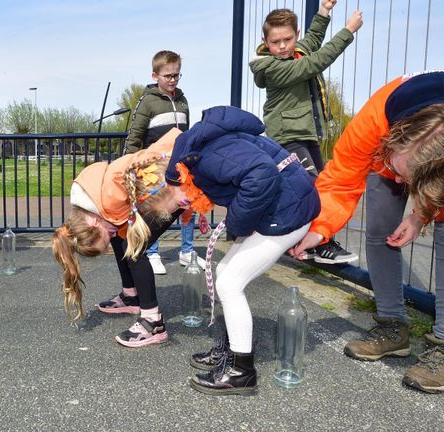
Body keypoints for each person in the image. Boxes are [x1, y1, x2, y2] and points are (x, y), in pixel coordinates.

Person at [54, 106, 320, 395]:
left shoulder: (202, 162)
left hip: (288, 209)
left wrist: (239, 223)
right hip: (284, 202)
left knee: (231, 283)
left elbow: (262, 174)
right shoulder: (190, 160)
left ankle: (241, 373)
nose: (184, 206)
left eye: (182, 203)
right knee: (224, 273)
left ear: (178, 181)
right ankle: (233, 352)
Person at [290, 70, 444, 394]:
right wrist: (318, 230)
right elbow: (341, 178)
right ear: (395, 135)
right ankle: (393, 328)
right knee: (380, 232)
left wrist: (421, 215)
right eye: (403, 173)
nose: (402, 184)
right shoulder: (375, 122)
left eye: (412, 183)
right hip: (385, 153)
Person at [250, 0, 363, 264]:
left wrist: (323, 11)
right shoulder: (273, 67)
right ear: (264, 41)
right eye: (275, 41)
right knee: (313, 188)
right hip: (288, 137)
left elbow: (313, 40)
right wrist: (347, 32)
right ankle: (319, 245)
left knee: (318, 186)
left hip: (306, 133)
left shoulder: (296, 51)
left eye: (287, 40)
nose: (281, 46)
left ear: (295, 35)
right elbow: (315, 63)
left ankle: (299, 238)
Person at [53, 128, 182, 349]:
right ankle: (132, 296)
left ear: (93, 223)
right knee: (119, 237)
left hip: (174, 178)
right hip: (169, 175)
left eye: (101, 239)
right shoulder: (92, 204)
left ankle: (154, 322)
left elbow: (146, 162)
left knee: (133, 246)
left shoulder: (107, 200)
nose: (109, 234)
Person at [122, 49, 199, 275]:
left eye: (176, 75)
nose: (173, 80)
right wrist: (130, 164)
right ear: (155, 76)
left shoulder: (183, 100)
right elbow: (135, 134)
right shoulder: (147, 102)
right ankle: (152, 252)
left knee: (187, 205)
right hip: (154, 165)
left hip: (179, 165)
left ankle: (187, 251)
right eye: (168, 76)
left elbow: (185, 134)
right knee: (155, 208)